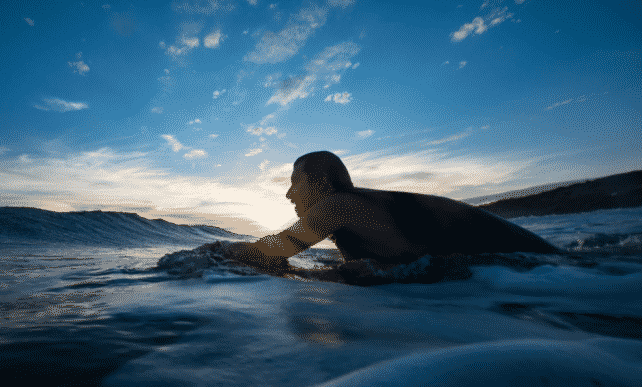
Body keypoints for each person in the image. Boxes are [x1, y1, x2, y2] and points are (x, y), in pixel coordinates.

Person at [225, 151, 560, 272]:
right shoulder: (361, 209)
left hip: (532, 262)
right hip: (536, 262)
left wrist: (211, 255)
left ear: (323, 185)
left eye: (295, 183)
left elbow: (273, 251)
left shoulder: (339, 204)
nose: (288, 194)